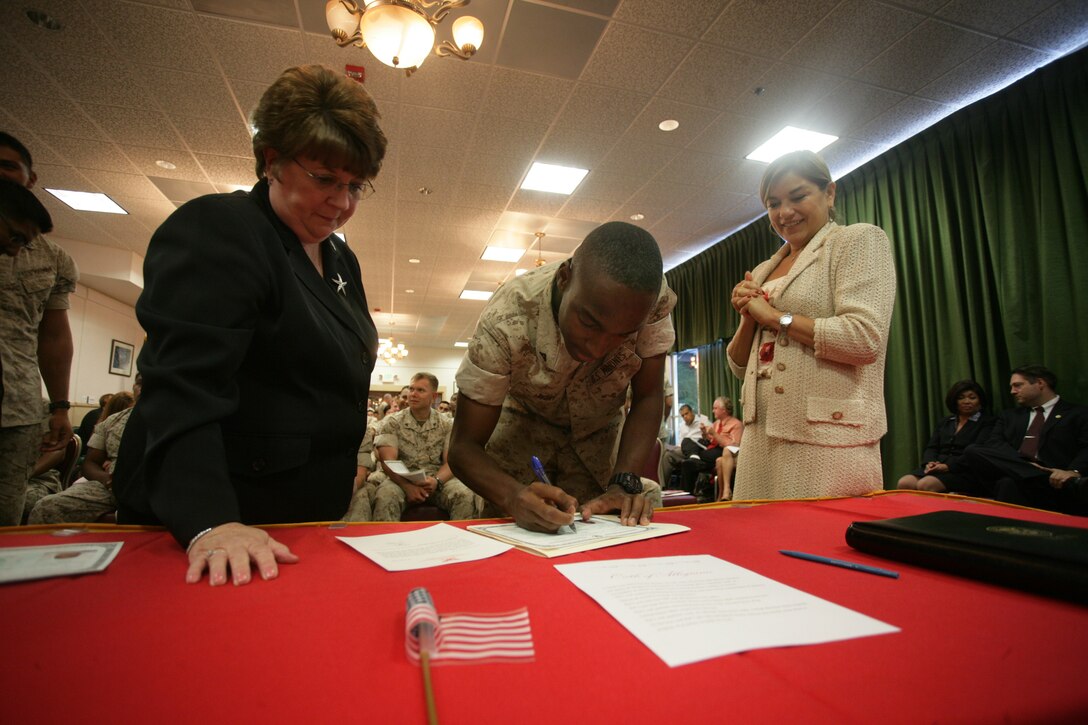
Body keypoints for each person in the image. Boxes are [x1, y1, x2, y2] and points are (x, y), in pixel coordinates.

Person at [112, 64, 387, 586]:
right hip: (222, 522)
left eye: (356, 186)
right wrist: (209, 520)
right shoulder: (222, 228)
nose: (342, 203)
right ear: (273, 161)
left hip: (296, 516)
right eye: (325, 179)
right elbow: (184, 388)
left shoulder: (339, 260)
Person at [448, 221, 676, 532]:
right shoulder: (506, 318)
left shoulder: (651, 302)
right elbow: (463, 448)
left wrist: (624, 480)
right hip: (517, 449)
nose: (599, 347)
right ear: (564, 278)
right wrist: (512, 496)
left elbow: (649, 396)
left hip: (599, 448)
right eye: (589, 322)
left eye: (622, 335)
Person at [727, 150, 896, 500]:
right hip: (760, 439)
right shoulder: (762, 269)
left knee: (816, 543)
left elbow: (864, 339)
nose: (784, 212)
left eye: (798, 196)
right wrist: (748, 318)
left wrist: (775, 317)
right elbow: (740, 366)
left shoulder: (857, 241)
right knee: (757, 545)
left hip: (827, 437)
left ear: (829, 193)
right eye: (773, 203)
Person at [0, 155, 79, 526]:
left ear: (31, 179)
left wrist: (60, 406)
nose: (14, 249)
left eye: (9, 165)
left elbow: (53, 336)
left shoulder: (52, 259)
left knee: (6, 514)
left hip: (17, 405)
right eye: (13, 237)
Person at [950, 365, 1088, 513]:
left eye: (1017, 385)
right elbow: (994, 443)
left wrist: (1074, 471)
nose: (1012, 391)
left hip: (1057, 481)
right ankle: (1039, 475)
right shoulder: (1009, 416)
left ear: (1040, 384)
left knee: (1008, 484)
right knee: (974, 451)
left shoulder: (1078, 414)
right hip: (1021, 474)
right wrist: (1024, 465)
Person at [367, 373, 479, 521]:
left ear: (433, 397)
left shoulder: (447, 424)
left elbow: (450, 461)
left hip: (435, 478)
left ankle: (460, 541)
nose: (413, 394)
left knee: (464, 495)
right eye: (412, 389)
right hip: (400, 480)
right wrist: (407, 487)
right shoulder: (392, 422)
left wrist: (437, 481)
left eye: (420, 390)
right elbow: (388, 461)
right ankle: (386, 541)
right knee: (386, 496)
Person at [28, 380, 139, 524]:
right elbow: (90, 463)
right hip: (112, 487)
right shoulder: (112, 421)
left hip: (159, 492)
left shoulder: (174, 420)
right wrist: (108, 480)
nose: (143, 388)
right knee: (47, 508)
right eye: (140, 382)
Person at [896, 380, 995, 493]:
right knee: (904, 483)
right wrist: (930, 462)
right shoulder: (946, 422)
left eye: (972, 398)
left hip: (964, 471)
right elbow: (932, 447)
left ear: (980, 401)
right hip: (936, 468)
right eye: (961, 398)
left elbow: (977, 453)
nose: (967, 401)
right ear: (954, 401)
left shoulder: (988, 423)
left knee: (926, 484)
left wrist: (947, 466)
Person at [679, 397, 742, 497]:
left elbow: (733, 446)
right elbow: (712, 440)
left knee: (688, 460)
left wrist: (714, 434)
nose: (713, 411)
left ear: (724, 410)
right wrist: (705, 434)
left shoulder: (736, 424)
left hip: (723, 452)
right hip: (710, 450)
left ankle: (695, 457)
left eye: (715, 408)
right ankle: (686, 498)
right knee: (687, 459)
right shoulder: (716, 423)